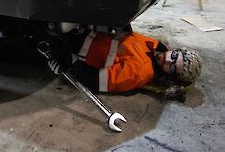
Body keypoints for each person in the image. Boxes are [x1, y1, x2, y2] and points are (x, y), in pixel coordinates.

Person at [47, 30, 202, 100]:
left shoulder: (141, 72)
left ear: (170, 74)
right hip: (83, 30)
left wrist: (69, 65)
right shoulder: (156, 45)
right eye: (175, 56)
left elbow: (97, 81)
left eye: (173, 67)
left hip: (72, 47)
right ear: (176, 50)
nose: (168, 60)